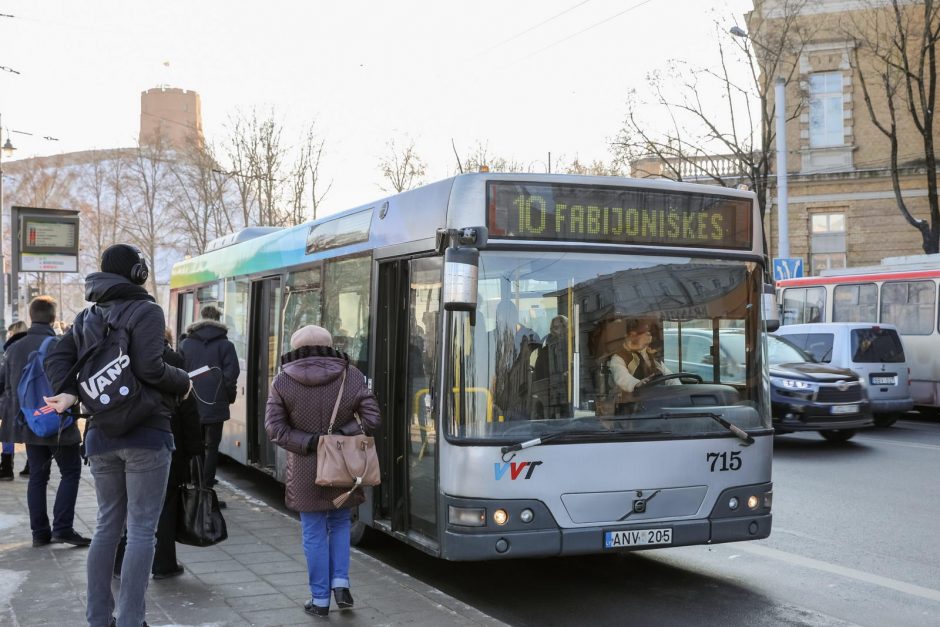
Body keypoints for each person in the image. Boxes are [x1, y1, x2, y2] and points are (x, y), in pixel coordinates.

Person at [43, 243, 191, 627]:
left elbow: (55, 358)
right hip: (147, 433)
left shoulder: (86, 315)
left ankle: (98, 619)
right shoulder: (147, 311)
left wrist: (73, 390)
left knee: (108, 525)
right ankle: (130, 620)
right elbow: (152, 369)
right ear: (138, 273)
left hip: (101, 433)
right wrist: (184, 382)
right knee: (142, 529)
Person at [264, 325, 381, 619]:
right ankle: (341, 584)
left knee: (313, 531)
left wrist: (311, 442)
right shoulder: (350, 375)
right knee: (341, 522)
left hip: (305, 469)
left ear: (295, 347)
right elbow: (372, 418)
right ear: (329, 345)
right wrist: (340, 436)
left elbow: (275, 429)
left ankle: (319, 600)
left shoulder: (282, 381)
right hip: (344, 465)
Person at [114, 328, 204, 580]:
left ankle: (119, 562)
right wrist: (195, 450)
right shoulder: (174, 361)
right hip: (165, 440)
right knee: (164, 503)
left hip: (119, 438)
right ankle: (164, 562)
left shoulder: (115, 358)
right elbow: (188, 409)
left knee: (123, 503)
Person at [0, 298, 89, 548]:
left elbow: (4, 385)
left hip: (29, 422)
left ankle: (39, 532)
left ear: (31, 316)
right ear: (53, 317)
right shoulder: (59, 345)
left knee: (37, 476)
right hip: (58, 421)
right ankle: (63, 528)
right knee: (70, 472)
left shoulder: (14, 348)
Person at [179, 305, 239, 491]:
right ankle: (206, 488)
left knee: (193, 445)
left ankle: (194, 483)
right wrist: (226, 397)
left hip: (190, 403)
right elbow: (231, 375)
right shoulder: (226, 345)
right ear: (219, 320)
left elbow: (178, 373)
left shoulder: (186, 344)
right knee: (212, 447)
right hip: (215, 404)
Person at [609, 319, 677, 396]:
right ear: (632, 336)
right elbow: (622, 377)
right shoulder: (618, 358)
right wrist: (637, 383)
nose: (649, 338)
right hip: (631, 402)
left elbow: (669, 376)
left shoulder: (649, 355)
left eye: (649, 334)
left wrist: (679, 389)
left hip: (653, 398)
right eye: (645, 334)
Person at [0, 320, 28, 480]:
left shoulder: (11, 349)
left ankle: (6, 467)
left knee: (7, 433)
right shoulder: (37, 345)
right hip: (32, 398)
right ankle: (31, 466)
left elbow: (3, 376)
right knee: (32, 431)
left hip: (11, 397)